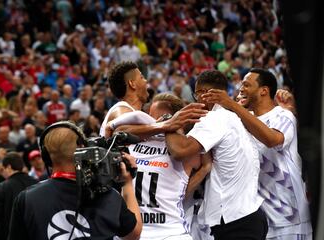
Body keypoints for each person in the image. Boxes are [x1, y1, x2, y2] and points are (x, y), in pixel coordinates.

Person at [202, 68, 312, 239]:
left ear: (264, 91)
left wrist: (231, 105)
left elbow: (272, 139)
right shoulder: (239, 120)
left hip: (289, 216)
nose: (241, 88)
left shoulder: (283, 115)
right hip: (258, 215)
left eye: (246, 84)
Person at [165, 70, 267, 240]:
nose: (196, 99)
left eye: (197, 93)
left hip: (235, 222)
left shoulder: (214, 119)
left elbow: (180, 150)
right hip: (249, 215)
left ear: (205, 94)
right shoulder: (235, 117)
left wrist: (168, 123)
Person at [8, 121, 142, 240]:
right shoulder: (109, 195)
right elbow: (133, 234)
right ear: (83, 150)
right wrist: (127, 183)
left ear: (46, 157)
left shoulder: (26, 198)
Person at [107, 93, 211, 240]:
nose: (151, 121)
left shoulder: (185, 148)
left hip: (169, 232)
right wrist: (164, 126)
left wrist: (168, 125)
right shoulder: (134, 141)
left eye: (156, 117)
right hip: (134, 231)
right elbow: (118, 132)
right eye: (150, 117)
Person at [0, 152, 37, 240]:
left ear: (8, 167)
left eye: (3, 169)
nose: (2, 173)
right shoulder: (36, 183)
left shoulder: (0, 189)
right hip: (33, 234)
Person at [99, 61, 149, 136]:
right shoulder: (121, 108)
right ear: (132, 84)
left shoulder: (134, 112)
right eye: (141, 77)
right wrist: (164, 126)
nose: (146, 81)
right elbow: (121, 128)